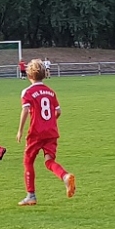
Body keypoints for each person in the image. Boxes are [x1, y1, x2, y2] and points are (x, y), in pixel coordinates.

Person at [15, 59, 75, 206]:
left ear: (29, 75)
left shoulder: (27, 92)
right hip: (51, 132)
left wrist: (20, 130)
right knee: (49, 161)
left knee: (28, 161)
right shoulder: (50, 92)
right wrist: (49, 122)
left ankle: (31, 196)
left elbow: (25, 110)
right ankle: (65, 176)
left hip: (36, 132)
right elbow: (58, 112)